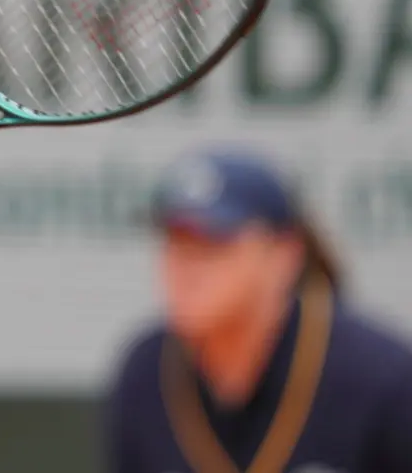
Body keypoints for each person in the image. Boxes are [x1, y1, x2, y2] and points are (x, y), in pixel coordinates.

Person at [104, 147, 412, 473]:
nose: (185, 267)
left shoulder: (381, 378)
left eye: (212, 243)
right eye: (175, 241)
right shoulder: (145, 372)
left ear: (285, 254)